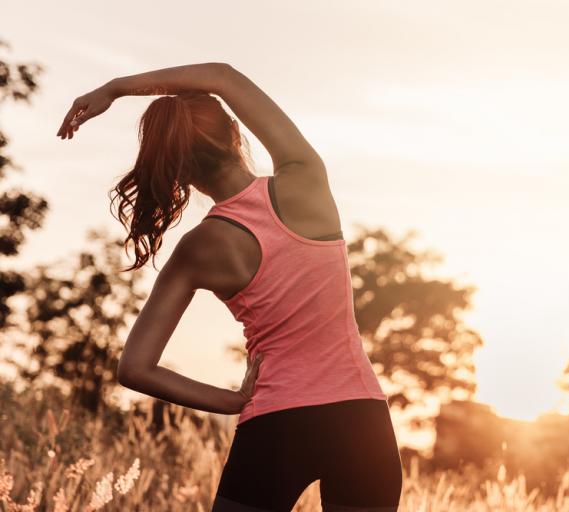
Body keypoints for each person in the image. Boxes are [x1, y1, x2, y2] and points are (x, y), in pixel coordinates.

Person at [56, 62, 403, 512]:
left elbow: (135, 369)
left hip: (276, 425)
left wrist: (234, 400)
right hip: (361, 418)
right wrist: (117, 89)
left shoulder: (198, 247)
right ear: (236, 134)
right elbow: (221, 75)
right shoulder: (307, 181)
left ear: (179, 172)